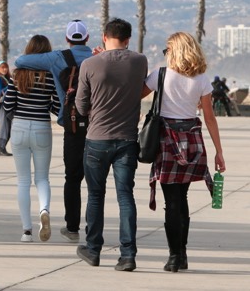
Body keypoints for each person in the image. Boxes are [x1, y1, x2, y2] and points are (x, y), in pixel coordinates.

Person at [143, 32, 226, 272]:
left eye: (167, 50)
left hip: (167, 141)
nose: (165, 54)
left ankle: (173, 256)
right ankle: (182, 253)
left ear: (174, 51)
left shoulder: (160, 75)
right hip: (192, 141)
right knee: (183, 198)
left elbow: (135, 94)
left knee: (172, 201)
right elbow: (209, 118)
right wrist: (219, 152)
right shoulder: (202, 79)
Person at [73, 18, 147, 272]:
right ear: (128, 39)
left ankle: (93, 249)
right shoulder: (140, 61)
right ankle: (128, 255)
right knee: (125, 197)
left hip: (97, 139)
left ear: (104, 37)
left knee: (95, 196)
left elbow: (81, 107)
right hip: (127, 138)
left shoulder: (89, 64)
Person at [15, 19, 93, 242]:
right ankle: (93, 227)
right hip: (97, 125)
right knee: (95, 182)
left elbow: (20, 60)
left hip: (71, 125)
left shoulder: (58, 58)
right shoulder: (98, 57)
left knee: (72, 178)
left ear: (68, 39)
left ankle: (72, 227)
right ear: (87, 38)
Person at [1, 35, 60, 243]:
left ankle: (27, 231)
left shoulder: (17, 76)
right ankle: (44, 210)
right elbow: (55, 106)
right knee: (42, 178)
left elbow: (8, 106)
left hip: (19, 127)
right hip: (42, 127)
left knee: (23, 181)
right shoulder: (50, 75)